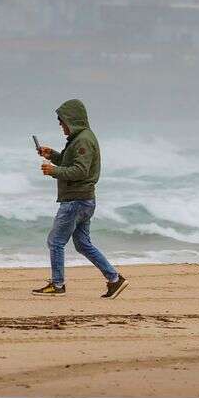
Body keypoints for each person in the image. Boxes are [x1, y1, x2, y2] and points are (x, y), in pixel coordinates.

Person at [32, 98, 127, 298]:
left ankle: (57, 285)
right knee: (83, 244)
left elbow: (80, 171)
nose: (60, 125)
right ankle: (115, 279)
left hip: (76, 201)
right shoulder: (80, 138)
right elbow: (73, 162)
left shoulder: (83, 140)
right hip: (84, 200)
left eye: (62, 121)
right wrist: (53, 156)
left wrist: (54, 171)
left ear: (72, 119)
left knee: (55, 241)